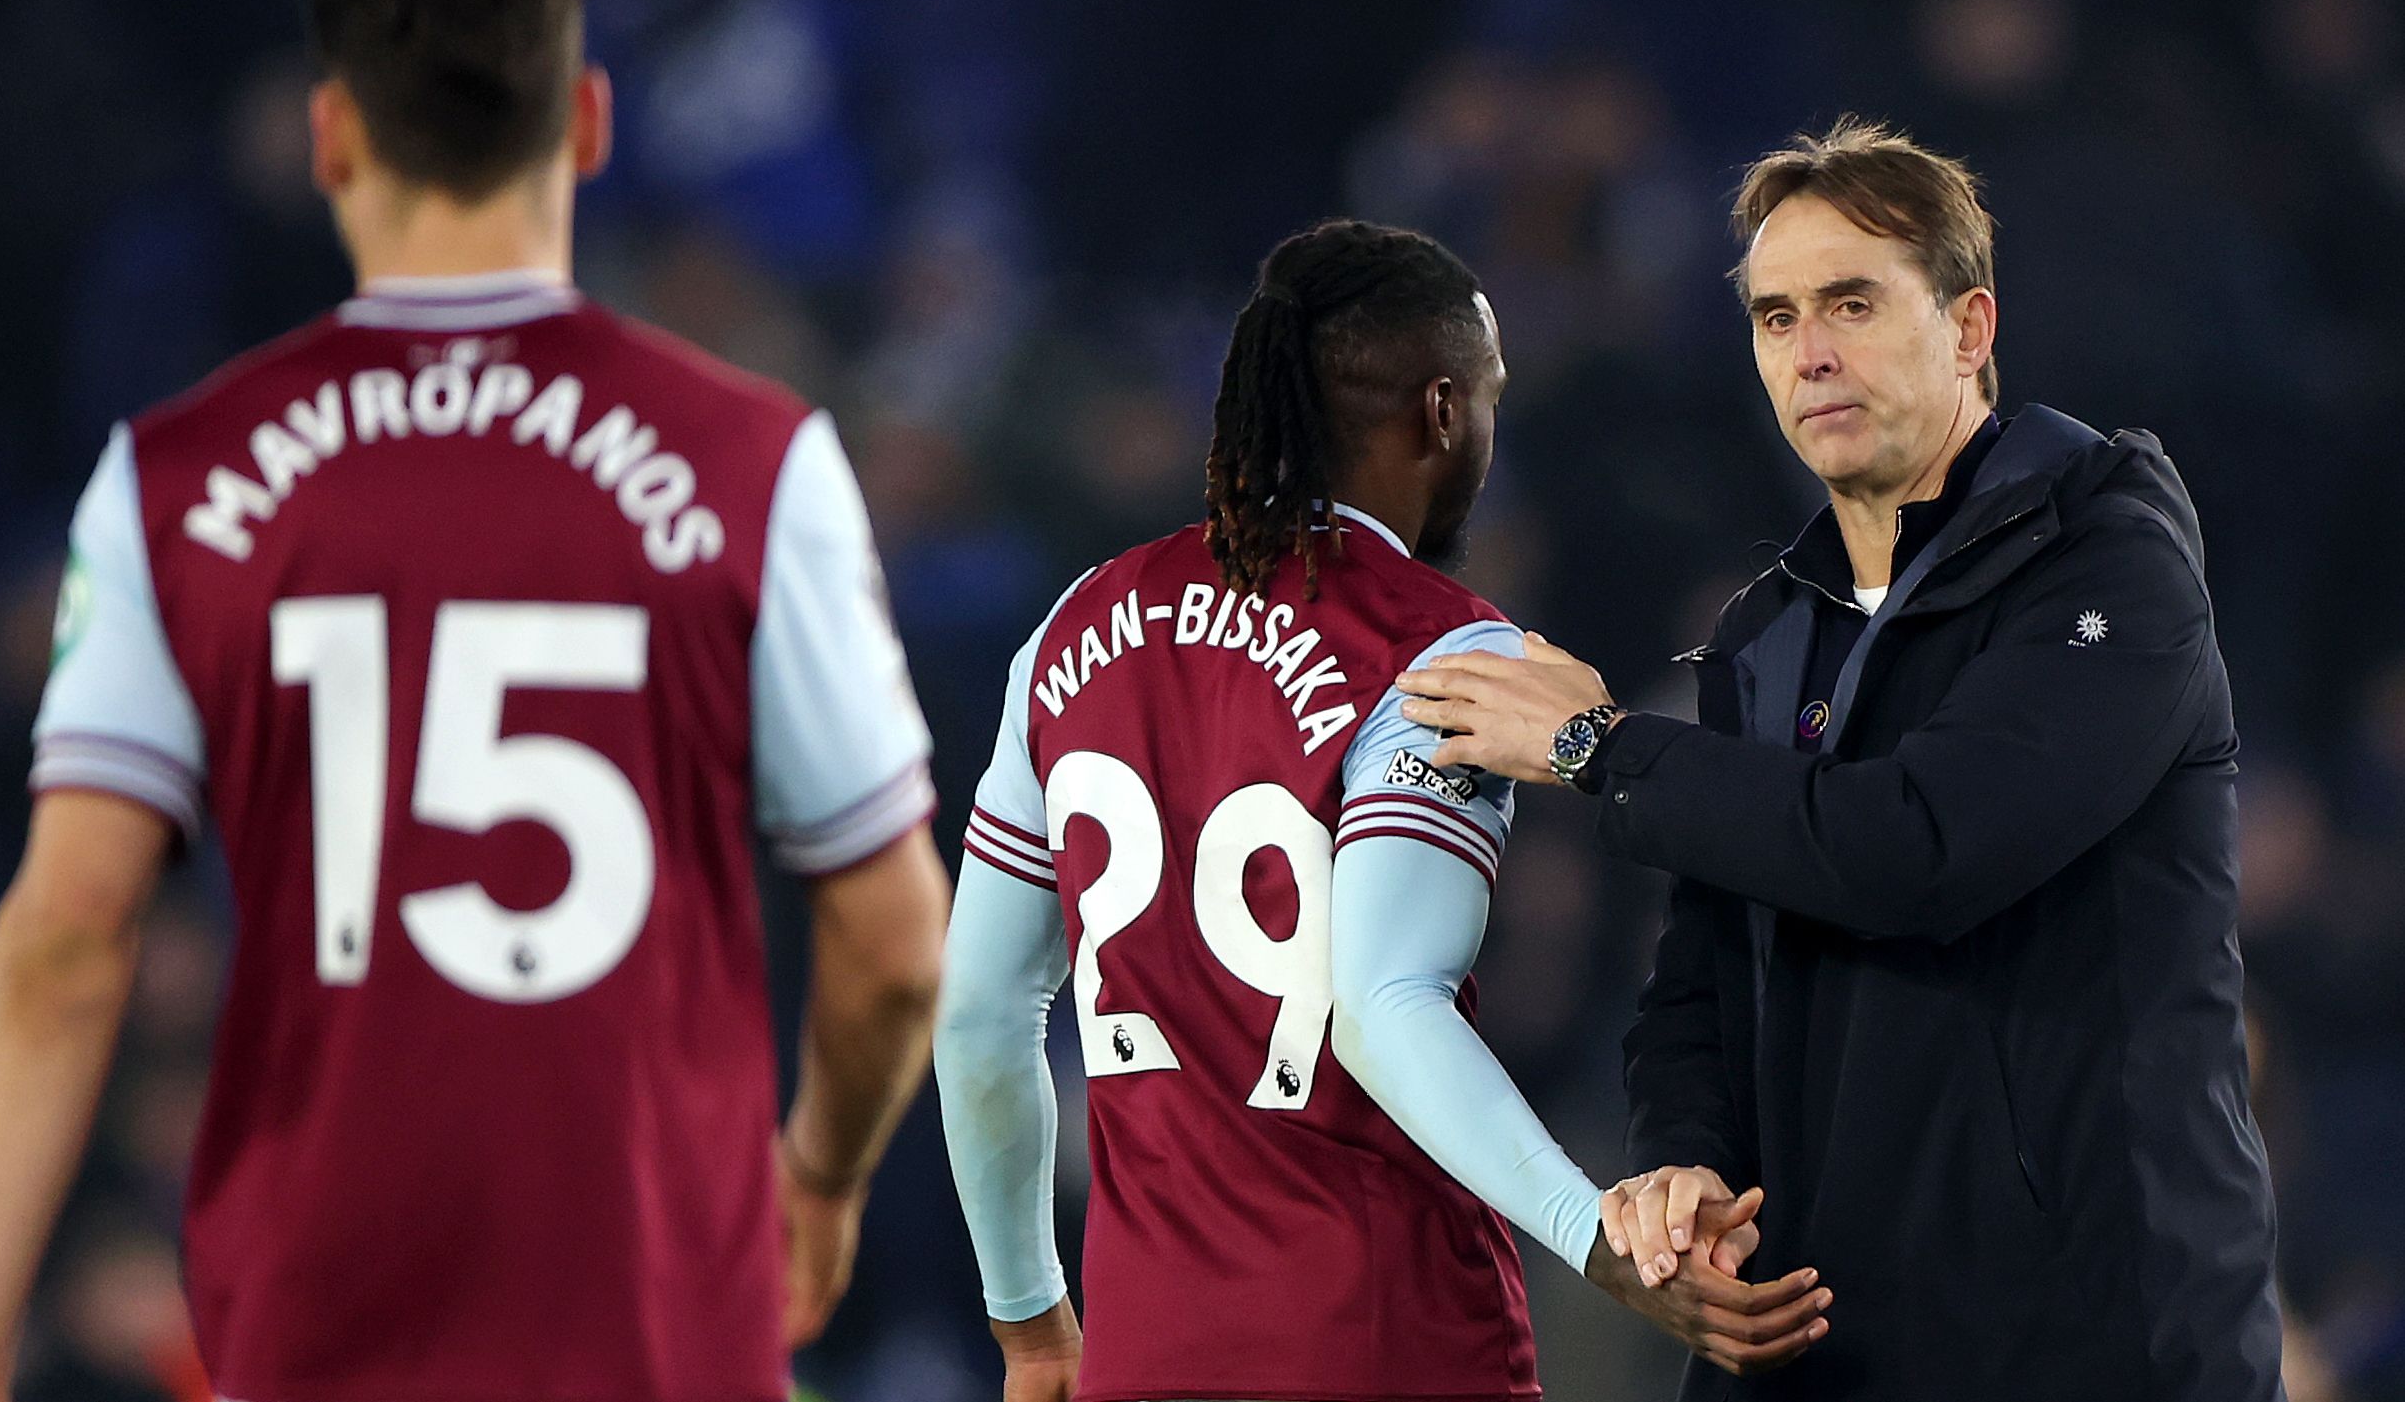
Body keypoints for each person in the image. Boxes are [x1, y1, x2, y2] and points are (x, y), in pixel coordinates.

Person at [0, 0, 949, 1401]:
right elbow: (898, 937)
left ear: (334, 137)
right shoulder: (754, 466)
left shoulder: (170, 485)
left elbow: (67, 942)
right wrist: (821, 1176)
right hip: (657, 1336)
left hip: (320, 1336)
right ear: (586, 122)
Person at [1398, 118, 2285, 1399]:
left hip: (2087, 1340)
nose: (1808, 353)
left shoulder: (2106, 565)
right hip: (1821, 1344)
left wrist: (1597, 745)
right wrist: (1682, 1168)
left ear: (1969, 328)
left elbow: (1920, 847)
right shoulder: (1764, 635)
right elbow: (1697, 987)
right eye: (1772, 318)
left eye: (1850, 304)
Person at [934, 219, 1831, 1402]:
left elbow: (979, 1018)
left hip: (1146, 1356)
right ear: (1442, 411)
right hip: (1381, 1339)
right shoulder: (1436, 651)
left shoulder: (1071, 631)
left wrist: (1028, 1317)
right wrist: (1590, 1234)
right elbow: (1379, 1001)